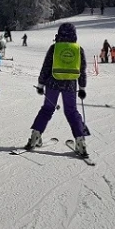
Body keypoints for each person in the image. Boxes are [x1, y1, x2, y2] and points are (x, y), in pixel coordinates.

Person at [25, 22, 89, 158]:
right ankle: (80, 142)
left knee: (47, 109)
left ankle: (35, 136)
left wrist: (41, 84)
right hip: (70, 85)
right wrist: (82, 87)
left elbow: (46, 67)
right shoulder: (78, 49)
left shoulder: (54, 48)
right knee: (72, 112)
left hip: (52, 83)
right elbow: (82, 70)